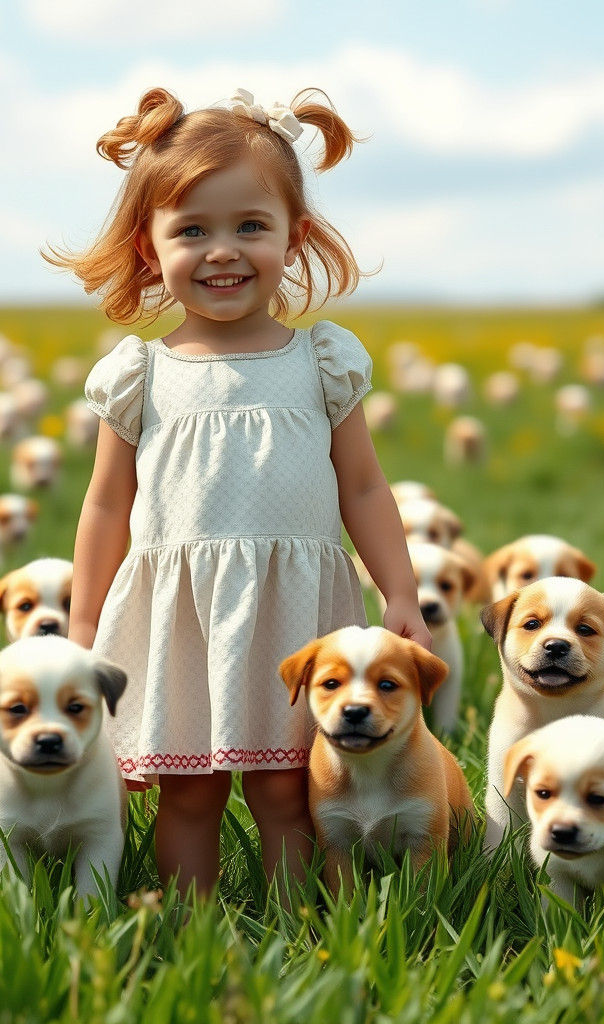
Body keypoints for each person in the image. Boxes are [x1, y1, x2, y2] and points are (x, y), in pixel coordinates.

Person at [55, 86, 431, 896]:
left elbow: (363, 488)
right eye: (192, 231)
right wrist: (85, 619)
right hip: (179, 607)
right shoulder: (141, 372)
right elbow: (105, 505)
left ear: (294, 240)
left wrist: (398, 588)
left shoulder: (321, 362)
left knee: (288, 788)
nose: (222, 251)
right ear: (149, 249)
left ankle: (295, 932)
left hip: (295, 608)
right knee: (187, 793)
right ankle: (188, 930)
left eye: (248, 227)